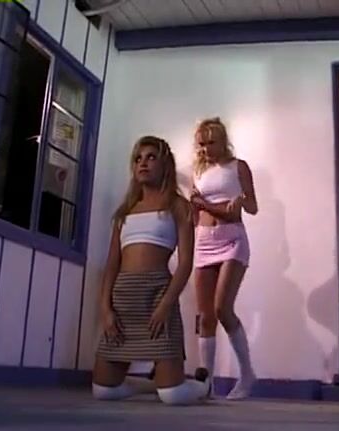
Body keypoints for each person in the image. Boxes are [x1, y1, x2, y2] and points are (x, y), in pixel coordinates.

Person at [92, 135, 210, 405]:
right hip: (123, 298)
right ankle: (148, 386)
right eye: (138, 159)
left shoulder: (178, 206)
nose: (143, 163)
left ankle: (202, 386)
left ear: (165, 164)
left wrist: (165, 305)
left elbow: (185, 263)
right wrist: (105, 309)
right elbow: (112, 264)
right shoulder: (125, 212)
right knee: (103, 390)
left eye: (151, 157)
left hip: (157, 294)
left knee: (173, 395)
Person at [190, 117, 258, 400]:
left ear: (223, 141)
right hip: (205, 242)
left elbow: (252, 206)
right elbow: (196, 211)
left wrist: (239, 201)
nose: (206, 149)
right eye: (201, 144)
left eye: (211, 142)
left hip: (232, 241)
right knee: (205, 316)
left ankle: (247, 375)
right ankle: (206, 383)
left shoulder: (238, 167)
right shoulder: (199, 172)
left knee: (222, 308)